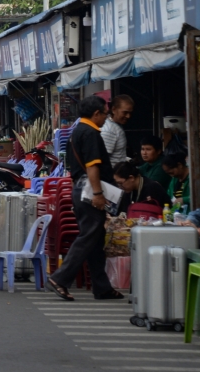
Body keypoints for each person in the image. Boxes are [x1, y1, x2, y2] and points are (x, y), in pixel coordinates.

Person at [47, 95, 121, 301]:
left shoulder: (76, 132)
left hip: (80, 190)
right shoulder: (89, 133)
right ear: (96, 114)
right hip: (90, 192)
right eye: (105, 114)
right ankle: (60, 278)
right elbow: (92, 166)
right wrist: (98, 194)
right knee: (89, 236)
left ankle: (102, 287)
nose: (106, 118)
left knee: (95, 240)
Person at [102, 95, 133, 166]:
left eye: (130, 113)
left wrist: (128, 159)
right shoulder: (109, 130)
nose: (128, 116)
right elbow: (103, 158)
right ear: (113, 110)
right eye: (125, 113)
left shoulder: (116, 125)